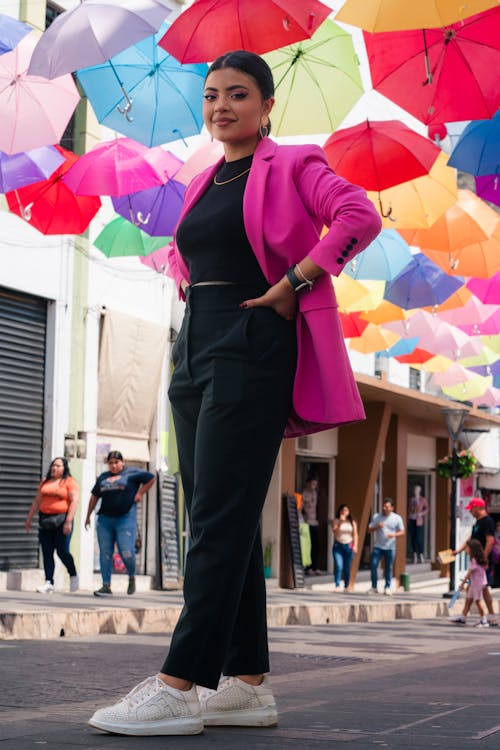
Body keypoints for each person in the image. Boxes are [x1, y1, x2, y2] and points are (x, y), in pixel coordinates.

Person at [89, 50, 381, 737]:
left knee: (216, 520)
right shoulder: (207, 179)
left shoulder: (294, 164)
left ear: (266, 105)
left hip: (254, 339)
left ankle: (178, 683)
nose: (222, 105)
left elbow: (357, 217)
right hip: (195, 344)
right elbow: (200, 255)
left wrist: (298, 280)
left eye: (238, 94)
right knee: (223, 518)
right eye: (213, 94)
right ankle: (247, 682)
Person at [85, 451, 156, 598]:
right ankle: (106, 585)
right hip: (105, 520)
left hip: (125, 518)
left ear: (122, 462)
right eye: (110, 463)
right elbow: (94, 496)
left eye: (116, 462)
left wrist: (140, 493)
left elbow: (151, 478)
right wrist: (88, 516)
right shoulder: (103, 477)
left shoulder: (132, 473)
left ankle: (131, 576)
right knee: (105, 553)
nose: (113, 465)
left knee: (126, 551)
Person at [25, 456, 79, 594]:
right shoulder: (45, 482)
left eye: (58, 466)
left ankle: (73, 574)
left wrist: (68, 521)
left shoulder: (69, 482)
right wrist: (29, 518)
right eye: (53, 465)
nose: (55, 468)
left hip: (62, 521)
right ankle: (49, 582)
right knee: (47, 552)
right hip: (45, 520)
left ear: (64, 468)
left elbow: (74, 501)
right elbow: (37, 501)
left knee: (62, 551)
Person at [453, 497, 498, 626]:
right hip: (477, 560)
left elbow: (490, 541)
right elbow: (471, 539)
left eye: (471, 508)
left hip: (482, 562)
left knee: (482, 589)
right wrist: (459, 550)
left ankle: (490, 617)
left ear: (478, 507)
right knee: (473, 589)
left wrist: (482, 559)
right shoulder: (477, 522)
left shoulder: (487, 522)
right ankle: (464, 616)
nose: (470, 511)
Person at [368, 498, 405, 596]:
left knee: (388, 568)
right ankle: (374, 586)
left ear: (392, 508)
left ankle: (387, 587)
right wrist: (377, 527)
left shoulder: (397, 518)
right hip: (378, 546)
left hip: (390, 547)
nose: (384, 508)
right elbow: (370, 529)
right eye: (383, 506)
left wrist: (394, 535)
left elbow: (402, 531)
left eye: (387, 507)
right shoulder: (377, 516)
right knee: (373, 565)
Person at [449, 539, 489, 627]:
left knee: (478, 601)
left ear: (472, 549)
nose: (465, 549)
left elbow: (469, 573)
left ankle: (484, 620)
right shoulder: (476, 559)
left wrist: (463, 583)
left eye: (466, 548)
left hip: (477, 584)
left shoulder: (474, 560)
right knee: (468, 600)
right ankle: (463, 617)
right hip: (475, 583)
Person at [331, 504, 358, 591]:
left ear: (349, 512)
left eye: (346, 510)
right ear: (339, 511)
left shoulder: (352, 522)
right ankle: (337, 585)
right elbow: (334, 531)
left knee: (347, 567)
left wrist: (355, 545)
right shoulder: (336, 520)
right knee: (339, 565)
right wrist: (340, 522)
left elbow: (355, 535)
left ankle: (346, 585)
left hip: (348, 545)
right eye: (342, 510)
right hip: (338, 545)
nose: (344, 512)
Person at [301, 476, 321, 575]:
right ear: (308, 483)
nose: (314, 486)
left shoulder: (315, 493)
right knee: (307, 546)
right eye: (312, 484)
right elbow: (301, 508)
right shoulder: (304, 494)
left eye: (315, 484)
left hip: (314, 522)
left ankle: (315, 567)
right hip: (306, 522)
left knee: (316, 546)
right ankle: (308, 567)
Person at [407, 484, 428, 563]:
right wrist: (410, 512)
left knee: (418, 537)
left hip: (418, 520)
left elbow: (426, 508)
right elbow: (408, 508)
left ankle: (421, 554)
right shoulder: (411, 499)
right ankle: (414, 554)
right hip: (411, 518)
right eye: (415, 489)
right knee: (413, 537)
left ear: (419, 491)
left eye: (417, 490)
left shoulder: (422, 499)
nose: (416, 491)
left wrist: (421, 513)